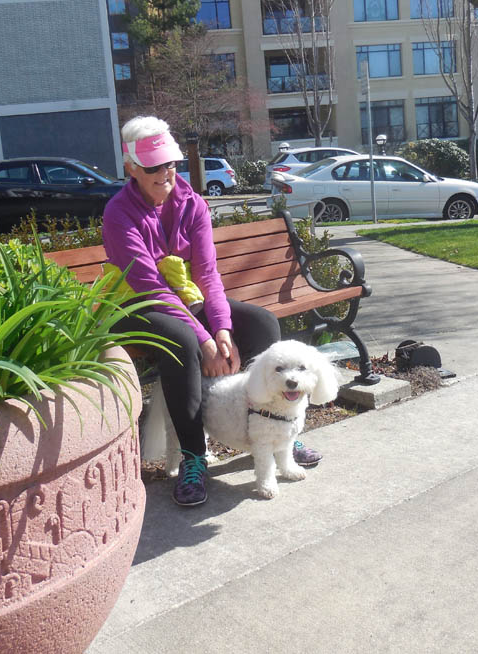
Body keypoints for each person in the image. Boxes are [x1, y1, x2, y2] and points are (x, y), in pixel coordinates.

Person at [102, 116, 321, 507]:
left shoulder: (193, 204)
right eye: (153, 166)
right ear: (131, 168)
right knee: (181, 339)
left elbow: (207, 274)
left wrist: (220, 328)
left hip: (185, 299)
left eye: (170, 162)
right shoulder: (119, 214)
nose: (166, 172)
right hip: (135, 305)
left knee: (261, 323)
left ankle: (276, 426)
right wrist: (204, 338)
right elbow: (150, 287)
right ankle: (193, 456)